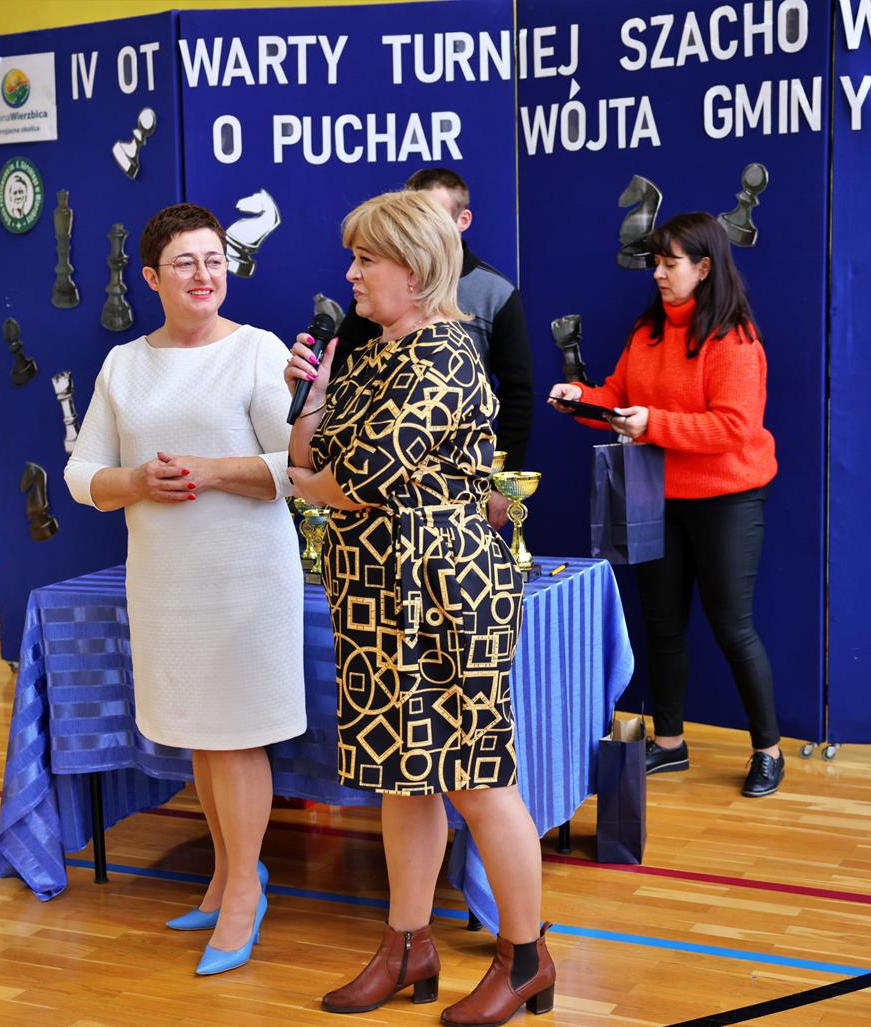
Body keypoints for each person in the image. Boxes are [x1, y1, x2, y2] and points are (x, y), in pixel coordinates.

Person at [286, 191, 555, 1025]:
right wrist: (314, 395)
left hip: (443, 591)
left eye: (365, 259)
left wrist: (305, 482)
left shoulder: (444, 355)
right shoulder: (371, 355)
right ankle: (407, 945)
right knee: (401, 777)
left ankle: (525, 956)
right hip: (376, 593)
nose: (350, 273)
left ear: (414, 267)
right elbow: (309, 455)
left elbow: (350, 478)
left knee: (476, 778)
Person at [62, 203, 305, 975]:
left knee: (234, 737)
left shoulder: (258, 350)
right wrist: (135, 481)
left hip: (245, 580)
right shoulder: (123, 364)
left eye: (214, 260)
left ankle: (244, 895)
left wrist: (210, 471)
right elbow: (79, 475)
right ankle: (228, 876)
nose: (204, 275)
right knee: (204, 737)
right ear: (150, 277)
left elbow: (297, 469)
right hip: (166, 582)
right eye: (186, 263)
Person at [549, 212, 786, 798]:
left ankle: (769, 751)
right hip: (657, 496)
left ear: (704, 268)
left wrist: (652, 423)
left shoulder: (734, 340)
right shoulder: (647, 331)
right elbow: (618, 397)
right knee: (662, 626)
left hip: (728, 499)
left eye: (669, 262)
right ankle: (671, 743)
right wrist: (582, 399)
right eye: (655, 261)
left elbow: (732, 428)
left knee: (733, 628)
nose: (657, 272)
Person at [331, 167, 533, 530]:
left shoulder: (461, 335)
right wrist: (312, 405)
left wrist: (502, 482)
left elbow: (360, 481)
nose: (354, 274)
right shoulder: (370, 317)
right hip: (370, 531)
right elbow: (331, 421)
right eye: (409, 215)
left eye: (429, 216)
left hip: (432, 527)